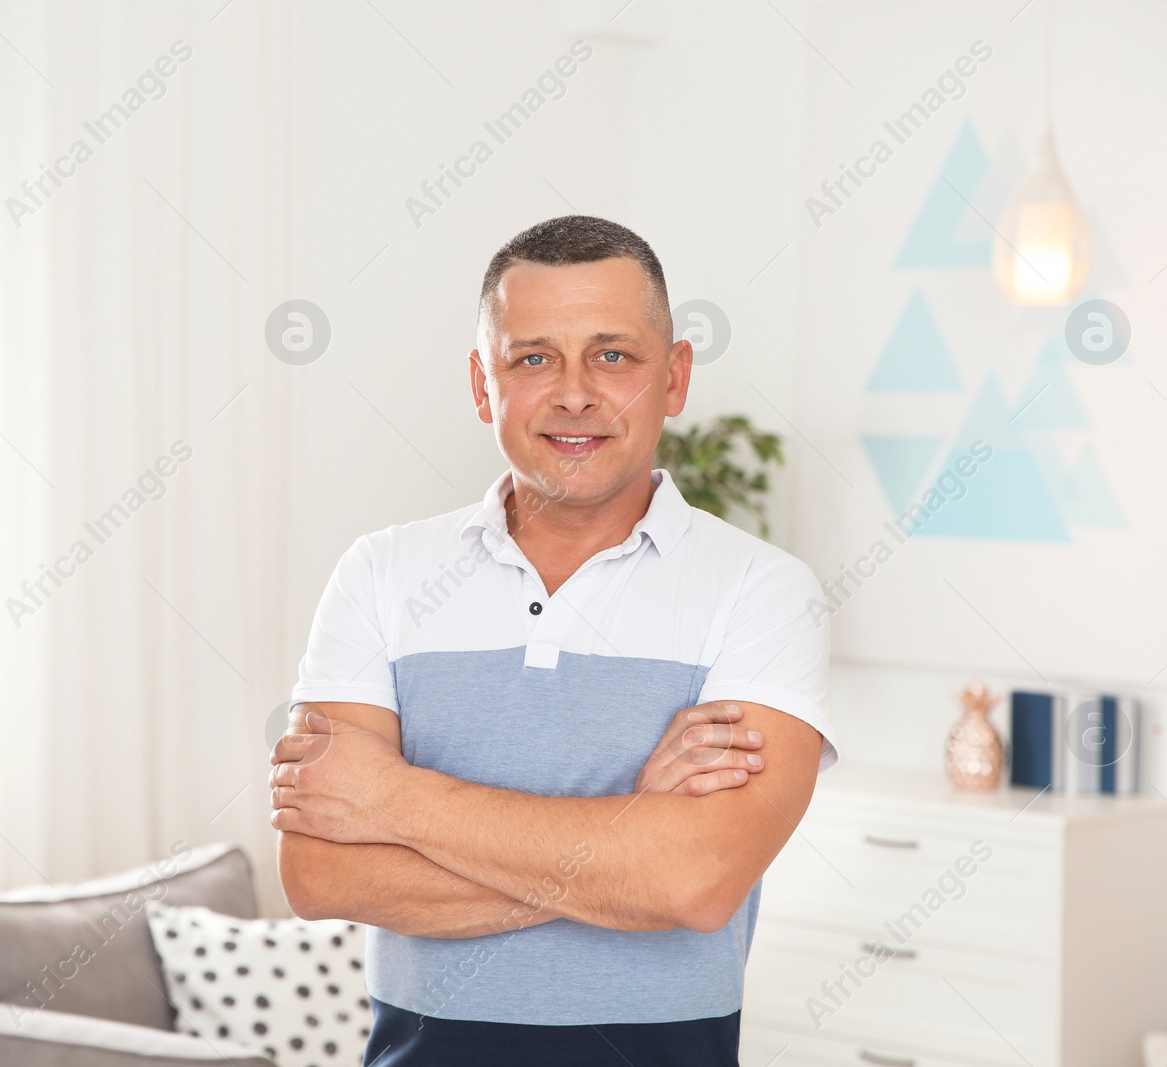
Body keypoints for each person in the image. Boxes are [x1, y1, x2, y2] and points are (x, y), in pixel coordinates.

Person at [269, 215, 837, 1066]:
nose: (575, 392)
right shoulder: (380, 573)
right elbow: (320, 875)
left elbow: (697, 879)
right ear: (481, 382)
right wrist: (630, 841)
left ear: (674, 376)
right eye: (533, 357)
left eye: (614, 355)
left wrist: (391, 801)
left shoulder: (763, 591)